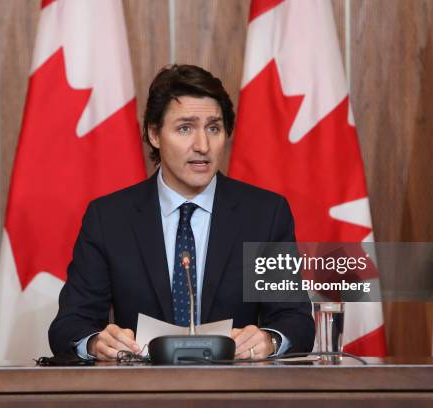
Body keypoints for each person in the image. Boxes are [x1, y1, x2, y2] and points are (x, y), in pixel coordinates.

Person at [48, 64, 314, 360]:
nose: (202, 146)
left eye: (213, 128)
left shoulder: (264, 215)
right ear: (154, 134)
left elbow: (296, 321)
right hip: (140, 393)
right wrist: (95, 342)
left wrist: (271, 340)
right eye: (185, 128)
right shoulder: (109, 218)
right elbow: (69, 325)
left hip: (236, 393)